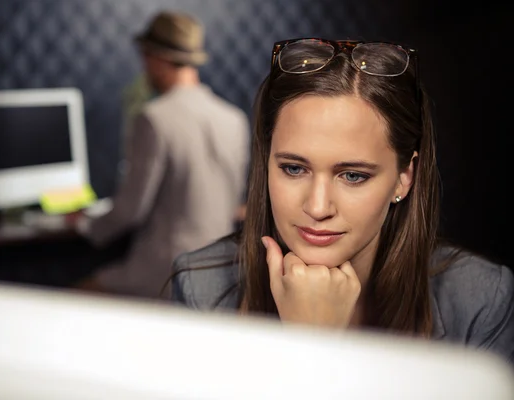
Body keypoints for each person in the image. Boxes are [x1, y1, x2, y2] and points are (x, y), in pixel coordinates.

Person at [170, 38, 514, 363]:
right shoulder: (202, 287)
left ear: (404, 177)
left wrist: (319, 351)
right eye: (293, 168)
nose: (318, 208)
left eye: (353, 176)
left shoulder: (480, 300)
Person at [74, 11, 250, 298]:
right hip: (223, 271)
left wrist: (85, 225)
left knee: (72, 297)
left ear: (156, 58)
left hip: (166, 271)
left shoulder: (154, 118)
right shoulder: (235, 119)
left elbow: (131, 211)